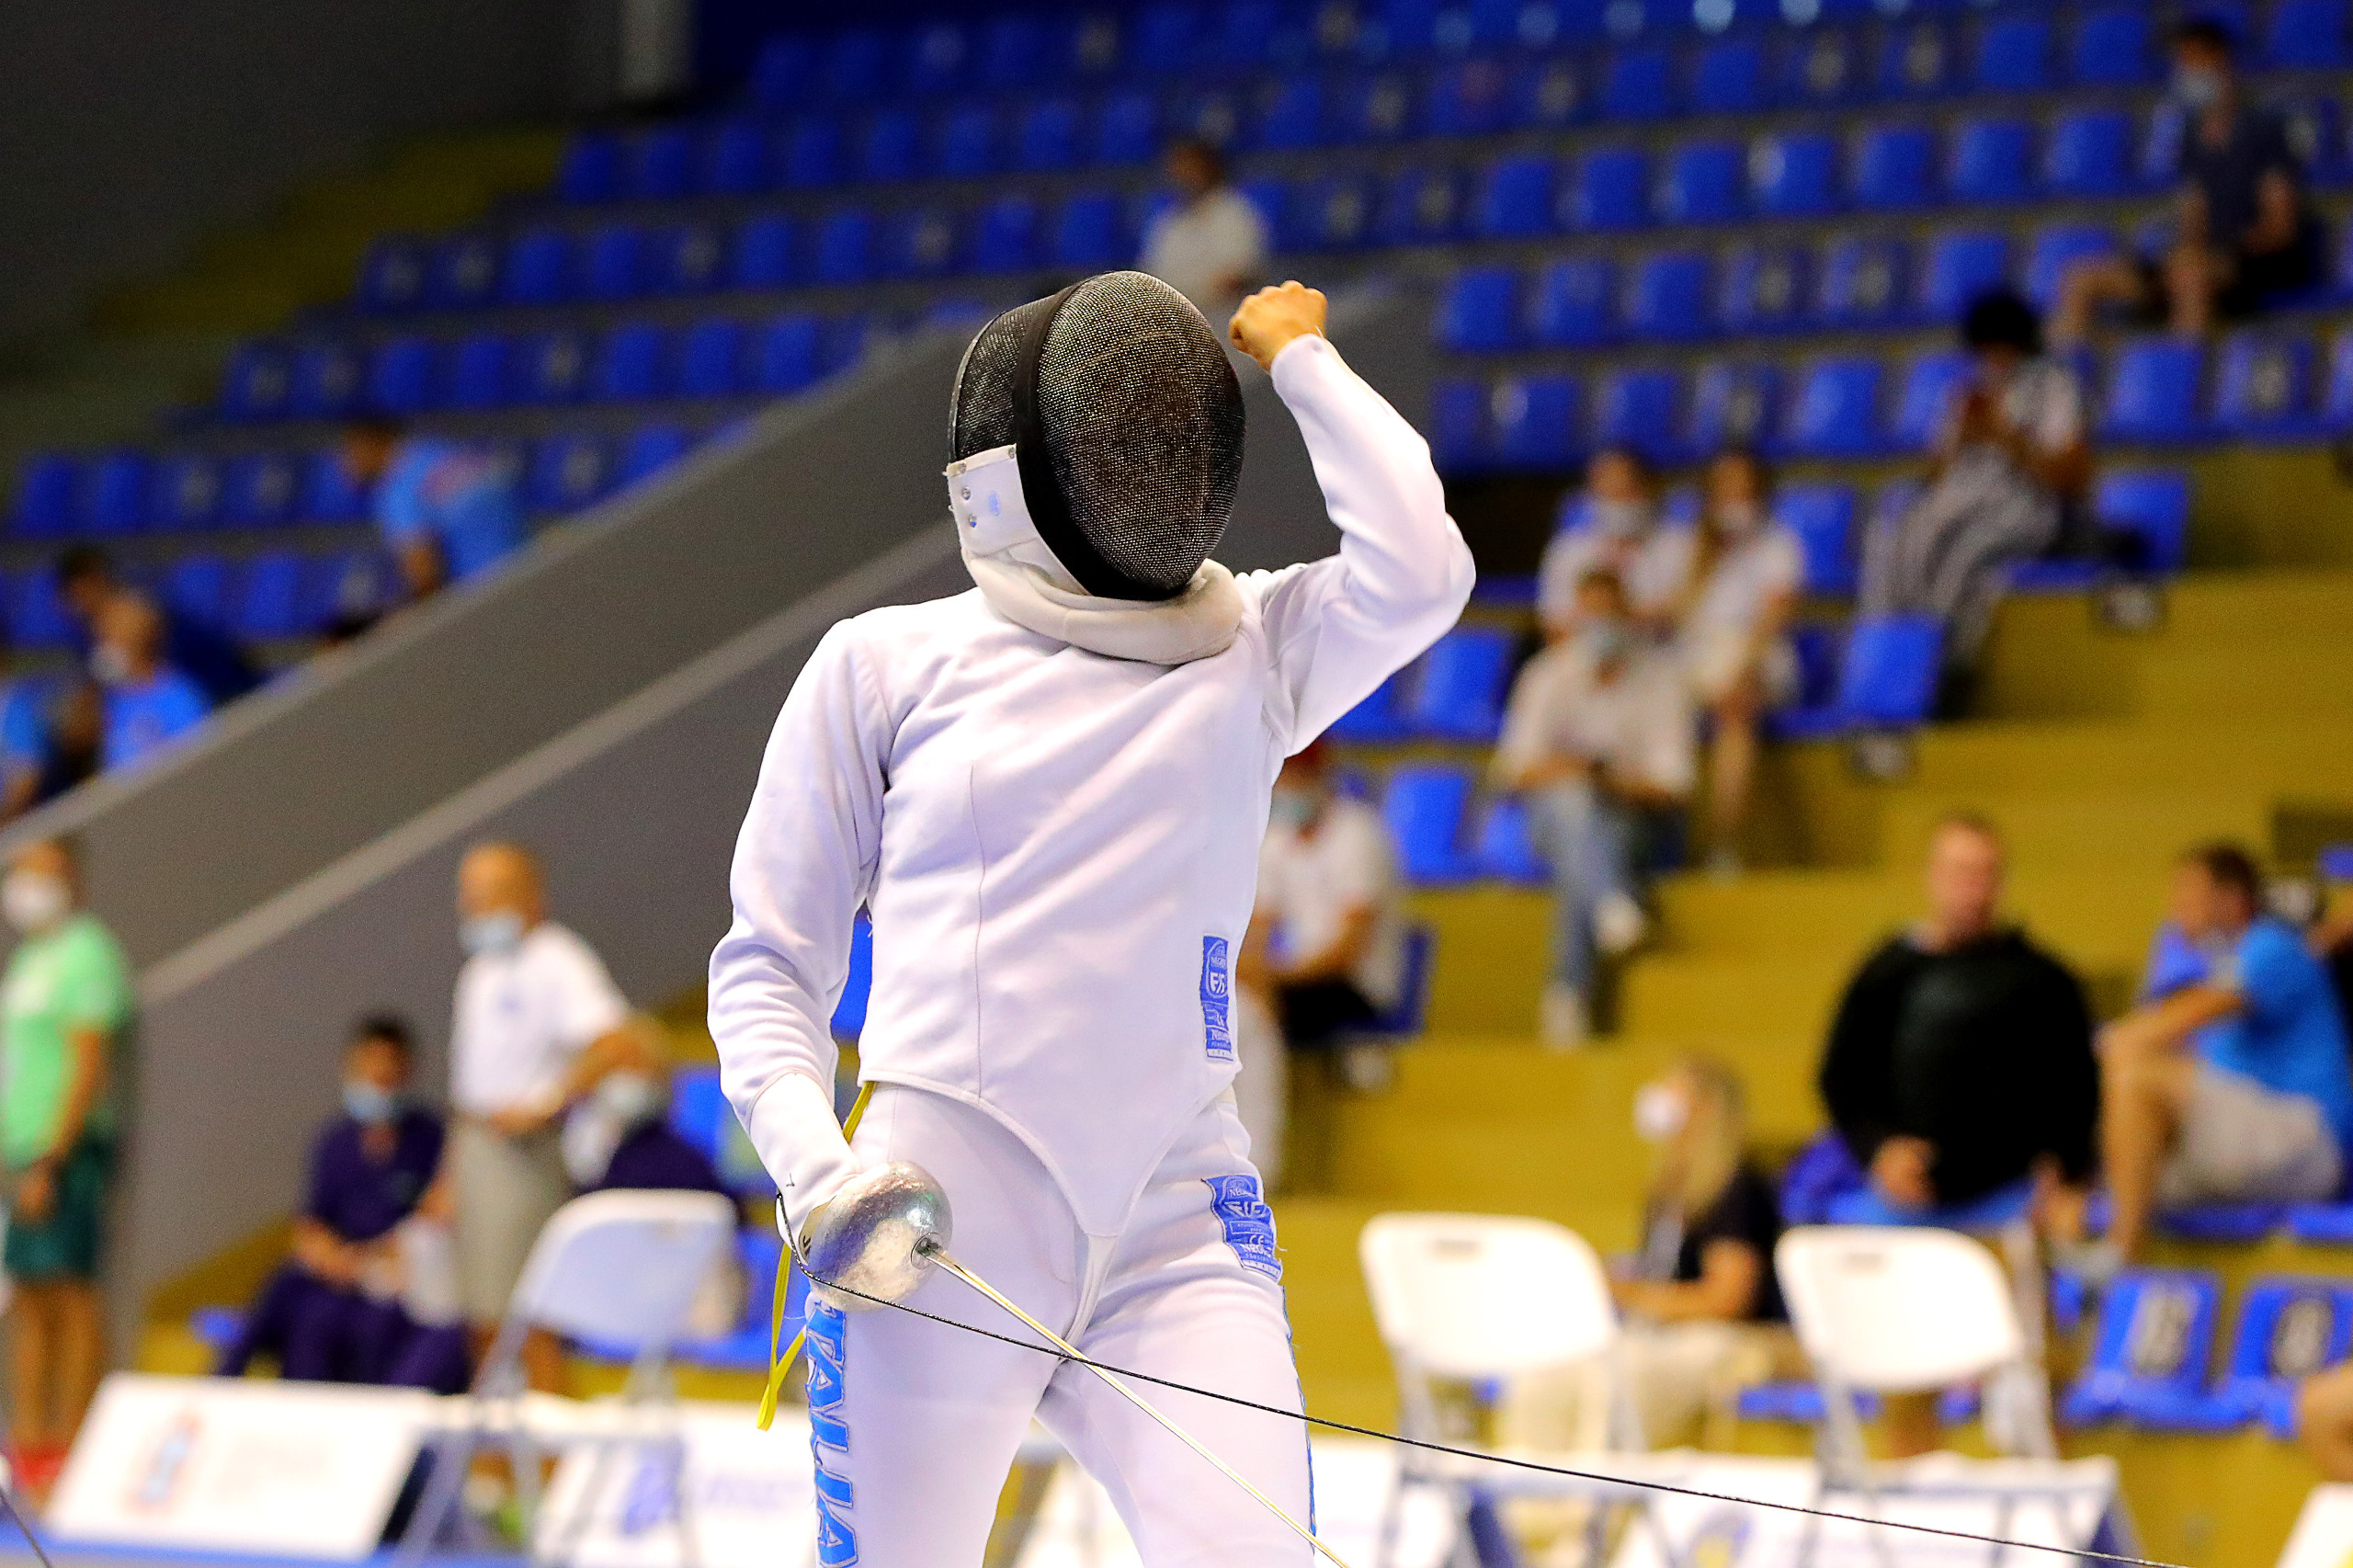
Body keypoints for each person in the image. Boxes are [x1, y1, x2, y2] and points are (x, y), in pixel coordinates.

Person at [709, 275, 1471, 1566]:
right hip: (932, 1237)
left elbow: (1424, 569)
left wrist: (1306, 364)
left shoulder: (1253, 651)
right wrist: (817, 1171)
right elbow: (769, 966)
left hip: (1178, 1224)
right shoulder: (886, 663)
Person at [1815, 814, 2097, 1459]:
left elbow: (2077, 1088)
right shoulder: (1888, 972)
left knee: (2031, 1377)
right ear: (1932, 877)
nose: (1973, 888)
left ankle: (2044, 1527)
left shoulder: (2040, 979)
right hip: (1906, 1205)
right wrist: (1879, 1150)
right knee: (1905, 1377)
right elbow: (1841, 1078)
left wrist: (2069, 1175)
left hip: (2004, 1203)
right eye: (1960, 872)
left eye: (1985, 874)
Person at [2073, 844, 2353, 1272]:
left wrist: (2100, 1046)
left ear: (2234, 899)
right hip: (2243, 1149)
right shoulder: (2215, 962)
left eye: (2191, 892)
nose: (2177, 906)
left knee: (2135, 1078)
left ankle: (2118, 1260)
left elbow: (2178, 1020)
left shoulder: (2271, 945)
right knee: (2117, 1155)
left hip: (2309, 1143)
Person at [1499, 1058, 1798, 1458]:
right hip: (1665, 1335)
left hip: (1739, 1339)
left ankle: (1597, 1507)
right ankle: (1530, 1511)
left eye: (1674, 1092)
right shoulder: (1670, 1191)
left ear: (1706, 1107)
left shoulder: (1736, 1189)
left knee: (1630, 1372)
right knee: (1549, 1373)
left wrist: (1629, 1293)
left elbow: (1727, 1301)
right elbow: (1662, 1273)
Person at [446, 842, 636, 1392]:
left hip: (524, 1154)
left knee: (528, 1314)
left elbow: (617, 1042)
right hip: (477, 1149)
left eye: (486, 894)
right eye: (469, 895)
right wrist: (448, 1177)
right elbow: (467, 1095)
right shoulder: (480, 971)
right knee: (481, 1314)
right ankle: (494, 1462)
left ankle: (554, 1462)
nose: (472, 907)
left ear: (529, 897)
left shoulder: (557, 958)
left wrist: (547, 1102)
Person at [1493, 569, 1694, 1049]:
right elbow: (1513, 770)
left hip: (1636, 822)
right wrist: (1577, 771)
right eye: (1590, 615)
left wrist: (1609, 781)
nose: (1600, 625)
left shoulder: (1663, 681)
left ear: (1628, 617)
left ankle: (1566, 995)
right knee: (1574, 803)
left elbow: (1675, 784)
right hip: (1551, 818)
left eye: (1610, 614)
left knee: (1581, 855)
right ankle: (1610, 903)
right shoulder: (1546, 675)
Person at [1860, 290, 2090, 709]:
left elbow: (2071, 477)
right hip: (1961, 502)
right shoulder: (1967, 394)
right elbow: (1935, 477)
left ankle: (1941, 667)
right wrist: (1959, 438)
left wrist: (2005, 435)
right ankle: (1889, 656)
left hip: (2025, 507)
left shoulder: (2053, 387)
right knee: (1894, 536)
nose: (1993, 359)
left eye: (2001, 348)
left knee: (1962, 553)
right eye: (1985, 350)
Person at [217, 1017, 468, 1393]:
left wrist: (375, 1259)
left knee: (364, 1323)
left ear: (406, 1071)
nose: (379, 1078)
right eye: (370, 1067)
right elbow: (311, 1223)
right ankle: (219, 1390)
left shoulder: (430, 1139)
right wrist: (333, 1258)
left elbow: (434, 1217)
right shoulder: (334, 1141)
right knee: (290, 1297)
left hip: (396, 1276)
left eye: (388, 1069)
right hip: (339, 1271)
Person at [1, 838, 133, 1504]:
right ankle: (28, 1449)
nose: (25, 884)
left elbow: (87, 1061)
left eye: (41, 871)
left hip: (64, 1153)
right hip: (21, 1151)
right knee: (26, 1297)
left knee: (70, 1293)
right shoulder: (27, 959)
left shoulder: (87, 952)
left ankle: (77, 1447)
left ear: (70, 877)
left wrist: (53, 1154)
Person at [2053, 18, 2322, 345]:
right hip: (2200, 259)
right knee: (2082, 278)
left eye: (2192, 61)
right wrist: (2182, 252)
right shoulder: (2191, 138)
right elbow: (2193, 214)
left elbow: (2280, 228)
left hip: (2258, 264)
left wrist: (2220, 252)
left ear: (2220, 61)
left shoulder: (2266, 131)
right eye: (2181, 63)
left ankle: (2181, 376)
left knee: (2189, 275)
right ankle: (2067, 378)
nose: (2185, 72)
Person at [1236, 737, 1410, 1182]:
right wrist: (1256, 974)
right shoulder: (1276, 842)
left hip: (1355, 988)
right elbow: (1255, 932)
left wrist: (1269, 980)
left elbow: (1347, 950)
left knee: (1251, 1018)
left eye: (1296, 776)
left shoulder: (1358, 834)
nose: (1286, 789)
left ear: (1319, 778)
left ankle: (1261, 1169)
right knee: (1231, 1006)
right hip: (1295, 980)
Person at [1674, 449, 1802, 875]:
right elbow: (1678, 617)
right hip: (1696, 659)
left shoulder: (1778, 544)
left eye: (1743, 488)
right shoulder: (1690, 546)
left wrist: (1742, 668)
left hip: (1757, 655)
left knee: (1736, 706)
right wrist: (1705, 559)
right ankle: (1667, 845)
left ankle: (1722, 842)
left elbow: (1776, 615)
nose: (1734, 497)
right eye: (1724, 488)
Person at [343, 416, 528, 603]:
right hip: (529, 570)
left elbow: (425, 578)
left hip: (485, 594)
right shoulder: (442, 450)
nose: (346, 464)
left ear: (374, 443)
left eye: (351, 452)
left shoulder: (398, 489)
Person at [55, 544, 259, 708]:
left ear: (96, 580)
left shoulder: (134, 614)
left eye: (77, 590)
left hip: (221, 692)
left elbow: (138, 679)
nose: (72, 601)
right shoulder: (91, 630)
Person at [1536, 445, 1696, 642]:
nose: (1619, 500)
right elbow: (1553, 625)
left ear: (1650, 489)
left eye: (1627, 489)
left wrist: (1619, 615)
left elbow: (1688, 613)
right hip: (1584, 656)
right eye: (1609, 491)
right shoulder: (1567, 550)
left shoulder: (1681, 546)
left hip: (1659, 655)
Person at [561, 1015, 728, 1196]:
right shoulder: (593, 1164)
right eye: (611, 1069)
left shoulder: (681, 1164)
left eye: (634, 1067)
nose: (621, 1081)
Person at [1138, 139, 1271, 327]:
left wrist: (1185, 302)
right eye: (1177, 166)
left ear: (1208, 167)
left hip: (1226, 326)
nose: (1181, 173)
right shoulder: (1167, 221)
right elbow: (1151, 279)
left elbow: (1237, 277)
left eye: (1188, 165)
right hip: (1176, 324)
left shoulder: (1234, 214)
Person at [94, 596, 211, 771]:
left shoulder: (179, 696)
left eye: (113, 638)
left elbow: (199, 759)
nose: (105, 647)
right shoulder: (114, 701)